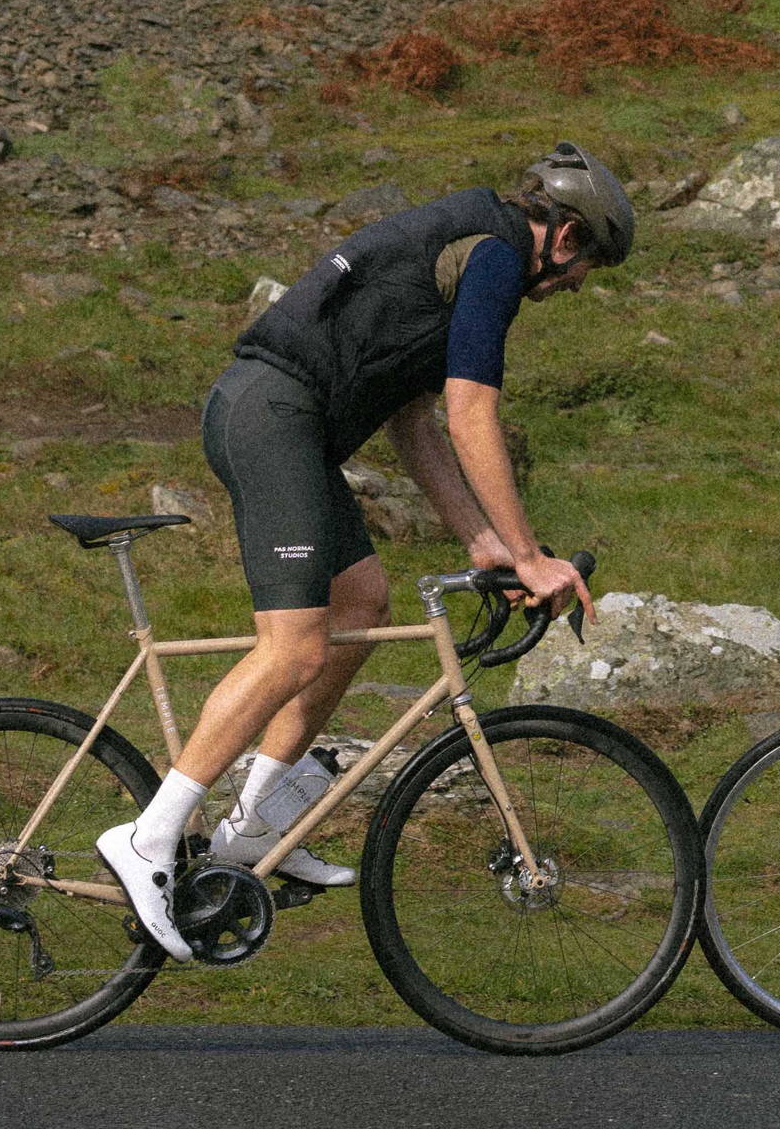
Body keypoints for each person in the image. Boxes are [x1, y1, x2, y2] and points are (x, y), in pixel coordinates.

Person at [91, 143, 632, 958]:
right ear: (563, 238)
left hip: (286, 422)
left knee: (361, 604)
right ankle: (147, 839)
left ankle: (253, 821)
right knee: (295, 644)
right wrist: (527, 555)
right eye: (583, 267)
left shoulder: (465, 250)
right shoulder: (492, 257)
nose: (575, 286)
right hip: (272, 414)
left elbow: (413, 422)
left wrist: (481, 540)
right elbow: (471, 412)